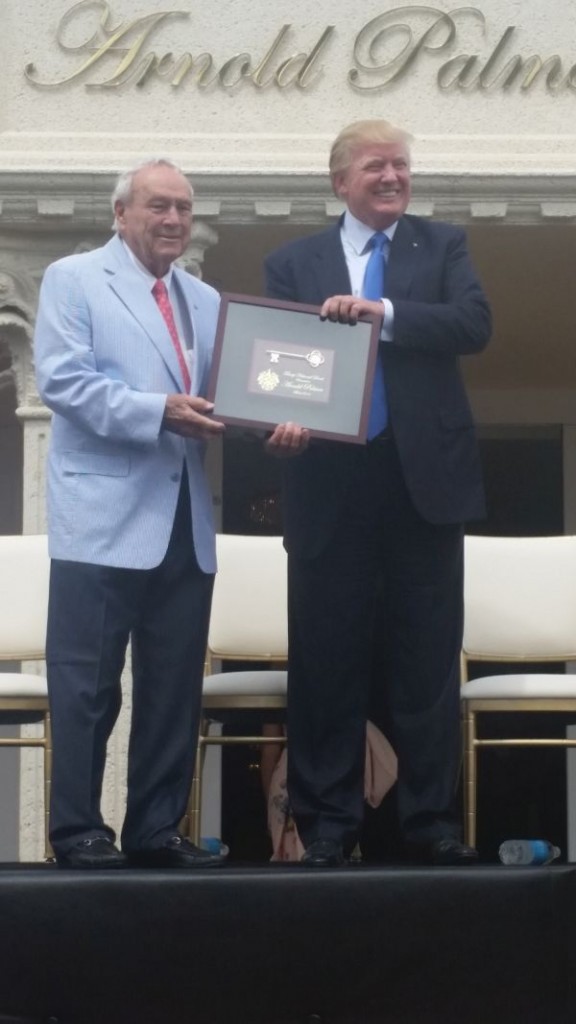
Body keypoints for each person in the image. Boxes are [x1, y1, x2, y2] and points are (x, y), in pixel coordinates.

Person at [264, 119, 491, 868]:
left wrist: (382, 315)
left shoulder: (442, 245)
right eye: (375, 167)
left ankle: (429, 825)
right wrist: (280, 423)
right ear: (340, 182)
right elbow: (275, 364)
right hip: (329, 484)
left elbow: (473, 324)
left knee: (426, 662)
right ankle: (328, 824)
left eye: (401, 165)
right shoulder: (291, 261)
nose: (393, 177)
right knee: (327, 660)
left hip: (423, 483)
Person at [35, 158, 228, 868]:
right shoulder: (74, 278)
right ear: (121, 214)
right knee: (86, 686)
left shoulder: (205, 300)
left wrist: (281, 424)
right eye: (158, 206)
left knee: (173, 686)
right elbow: (63, 381)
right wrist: (158, 412)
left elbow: (228, 392)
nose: (174, 219)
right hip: (101, 515)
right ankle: (79, 831)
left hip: (183, 519)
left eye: (183, 207)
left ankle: (155, 831)